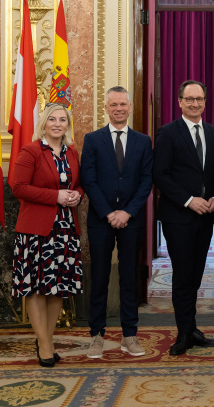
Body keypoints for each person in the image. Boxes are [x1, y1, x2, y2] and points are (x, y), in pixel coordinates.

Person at [153, 80, 214, 356]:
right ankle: (184, 333)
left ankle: (192, 327)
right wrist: (188, 200)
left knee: (196, 274)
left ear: (205, 102)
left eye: (200, 99)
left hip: (205, 217)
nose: (195, 103)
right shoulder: (167, 133)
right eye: (189, 99)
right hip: (178, 217)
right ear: (180, 101)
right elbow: (161, 175)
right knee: (183, 276)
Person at [81, 86, 153, 359]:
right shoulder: (93, 139)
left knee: (129, 279)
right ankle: (96, 336)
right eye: (114, 104)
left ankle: (129, 335)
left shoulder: (143, 141)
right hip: (101, 220)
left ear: (130, 107)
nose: (119, 108)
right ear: (106, 108)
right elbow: (89, 179)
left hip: (131, 221)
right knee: (98, 277)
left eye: (123, 104)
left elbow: (146, 180)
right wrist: (109, 212)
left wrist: (127, 212)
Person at [10, 103, 83, 367]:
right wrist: (56, 196)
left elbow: (78, 185)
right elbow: (17, 187)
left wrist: (77, 195)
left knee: (57, 289)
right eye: (52, 119)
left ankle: (46, 339)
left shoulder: (71, 152)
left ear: (67, 125)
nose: (57, 124)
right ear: (43, 123)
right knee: (36, 289)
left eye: (62, 120)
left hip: (65, 230)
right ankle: (44, 344)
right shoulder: (30, 151)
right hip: (36, 232)